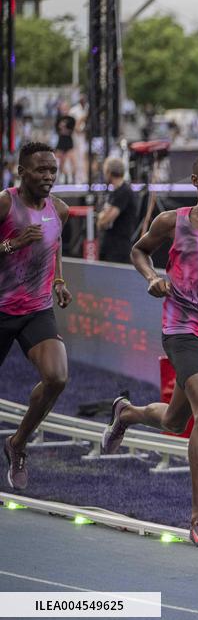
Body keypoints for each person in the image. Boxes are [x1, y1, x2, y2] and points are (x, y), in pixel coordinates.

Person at [99, 154, 198, 549]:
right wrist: (152, 278)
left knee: (173, 419)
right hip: (181, 327)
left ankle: (127, 413)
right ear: (196, 180)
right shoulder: (173, 221)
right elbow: (139, 250)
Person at [0, 142, 72, 490]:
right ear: (22, 172)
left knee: (57, 377)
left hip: (35, 309)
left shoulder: (60, 209)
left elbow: (54, 246)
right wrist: (11, 244)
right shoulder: (5, 202)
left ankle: (17, 445)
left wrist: (58, 279)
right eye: (40, 170)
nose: (47, 177)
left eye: (52, 171)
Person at [96, 157, 139, 264]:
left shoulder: (124, 192)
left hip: (118, 250)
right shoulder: (114, 192)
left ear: (108, 172)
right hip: (109, 247)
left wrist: (102, 219)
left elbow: (104, 220)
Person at [53, 103, 77, 183]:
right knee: (60, 162)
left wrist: (64, 129)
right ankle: (59, 178)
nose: (64, 110)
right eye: (63, 108)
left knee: (72, 160)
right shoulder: (58, 118)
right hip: (61, 142)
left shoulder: (71, 119)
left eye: (66, 108)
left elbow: (71, 129)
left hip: (69, 142)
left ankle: (73, 179)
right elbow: (57, 130)